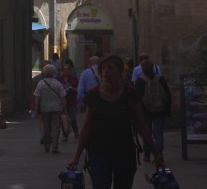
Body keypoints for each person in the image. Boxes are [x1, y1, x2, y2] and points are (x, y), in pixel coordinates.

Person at [68, 54, 163, 189]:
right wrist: (76, 157)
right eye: (103, 69)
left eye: (110, 68)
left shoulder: (130, 94)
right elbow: (87, 127)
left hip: (124, 152)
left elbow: (142, 125)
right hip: (99, 152)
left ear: (120, 71)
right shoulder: (94, 95)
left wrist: (156, 154)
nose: (105, 71)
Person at [134, 57, 171, 160]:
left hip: (146, 111)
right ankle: (159, 154)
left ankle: (147, 154)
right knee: (159, 133)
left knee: (147, 133)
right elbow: (167, 95)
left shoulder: (140, 81)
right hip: (160, 110)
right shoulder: (160, 79)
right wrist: (167, 110)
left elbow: (136, 98)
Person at [33, 64, 66, 153]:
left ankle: (46, 146)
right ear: (53, 72)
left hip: (44, 109)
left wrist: (36, 110)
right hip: (57, 108)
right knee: (56, 128)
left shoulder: (41, 84)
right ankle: (55, 147)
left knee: (46, 127)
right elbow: (63, 97)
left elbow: (37, 98)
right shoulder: (57, 83)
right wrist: (64, 109)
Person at [57, 60, 80, 141]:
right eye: (64, 69)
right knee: (64, 118)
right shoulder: (59, 79)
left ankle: (76, 131)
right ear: (62, 71)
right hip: (63, 101)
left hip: (72, 101)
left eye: (67, 69)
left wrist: (71, 88)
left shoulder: (74, 79)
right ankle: (65, 135)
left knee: (73, 118)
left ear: (70, 70)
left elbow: (78, 89)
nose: (66, 71)